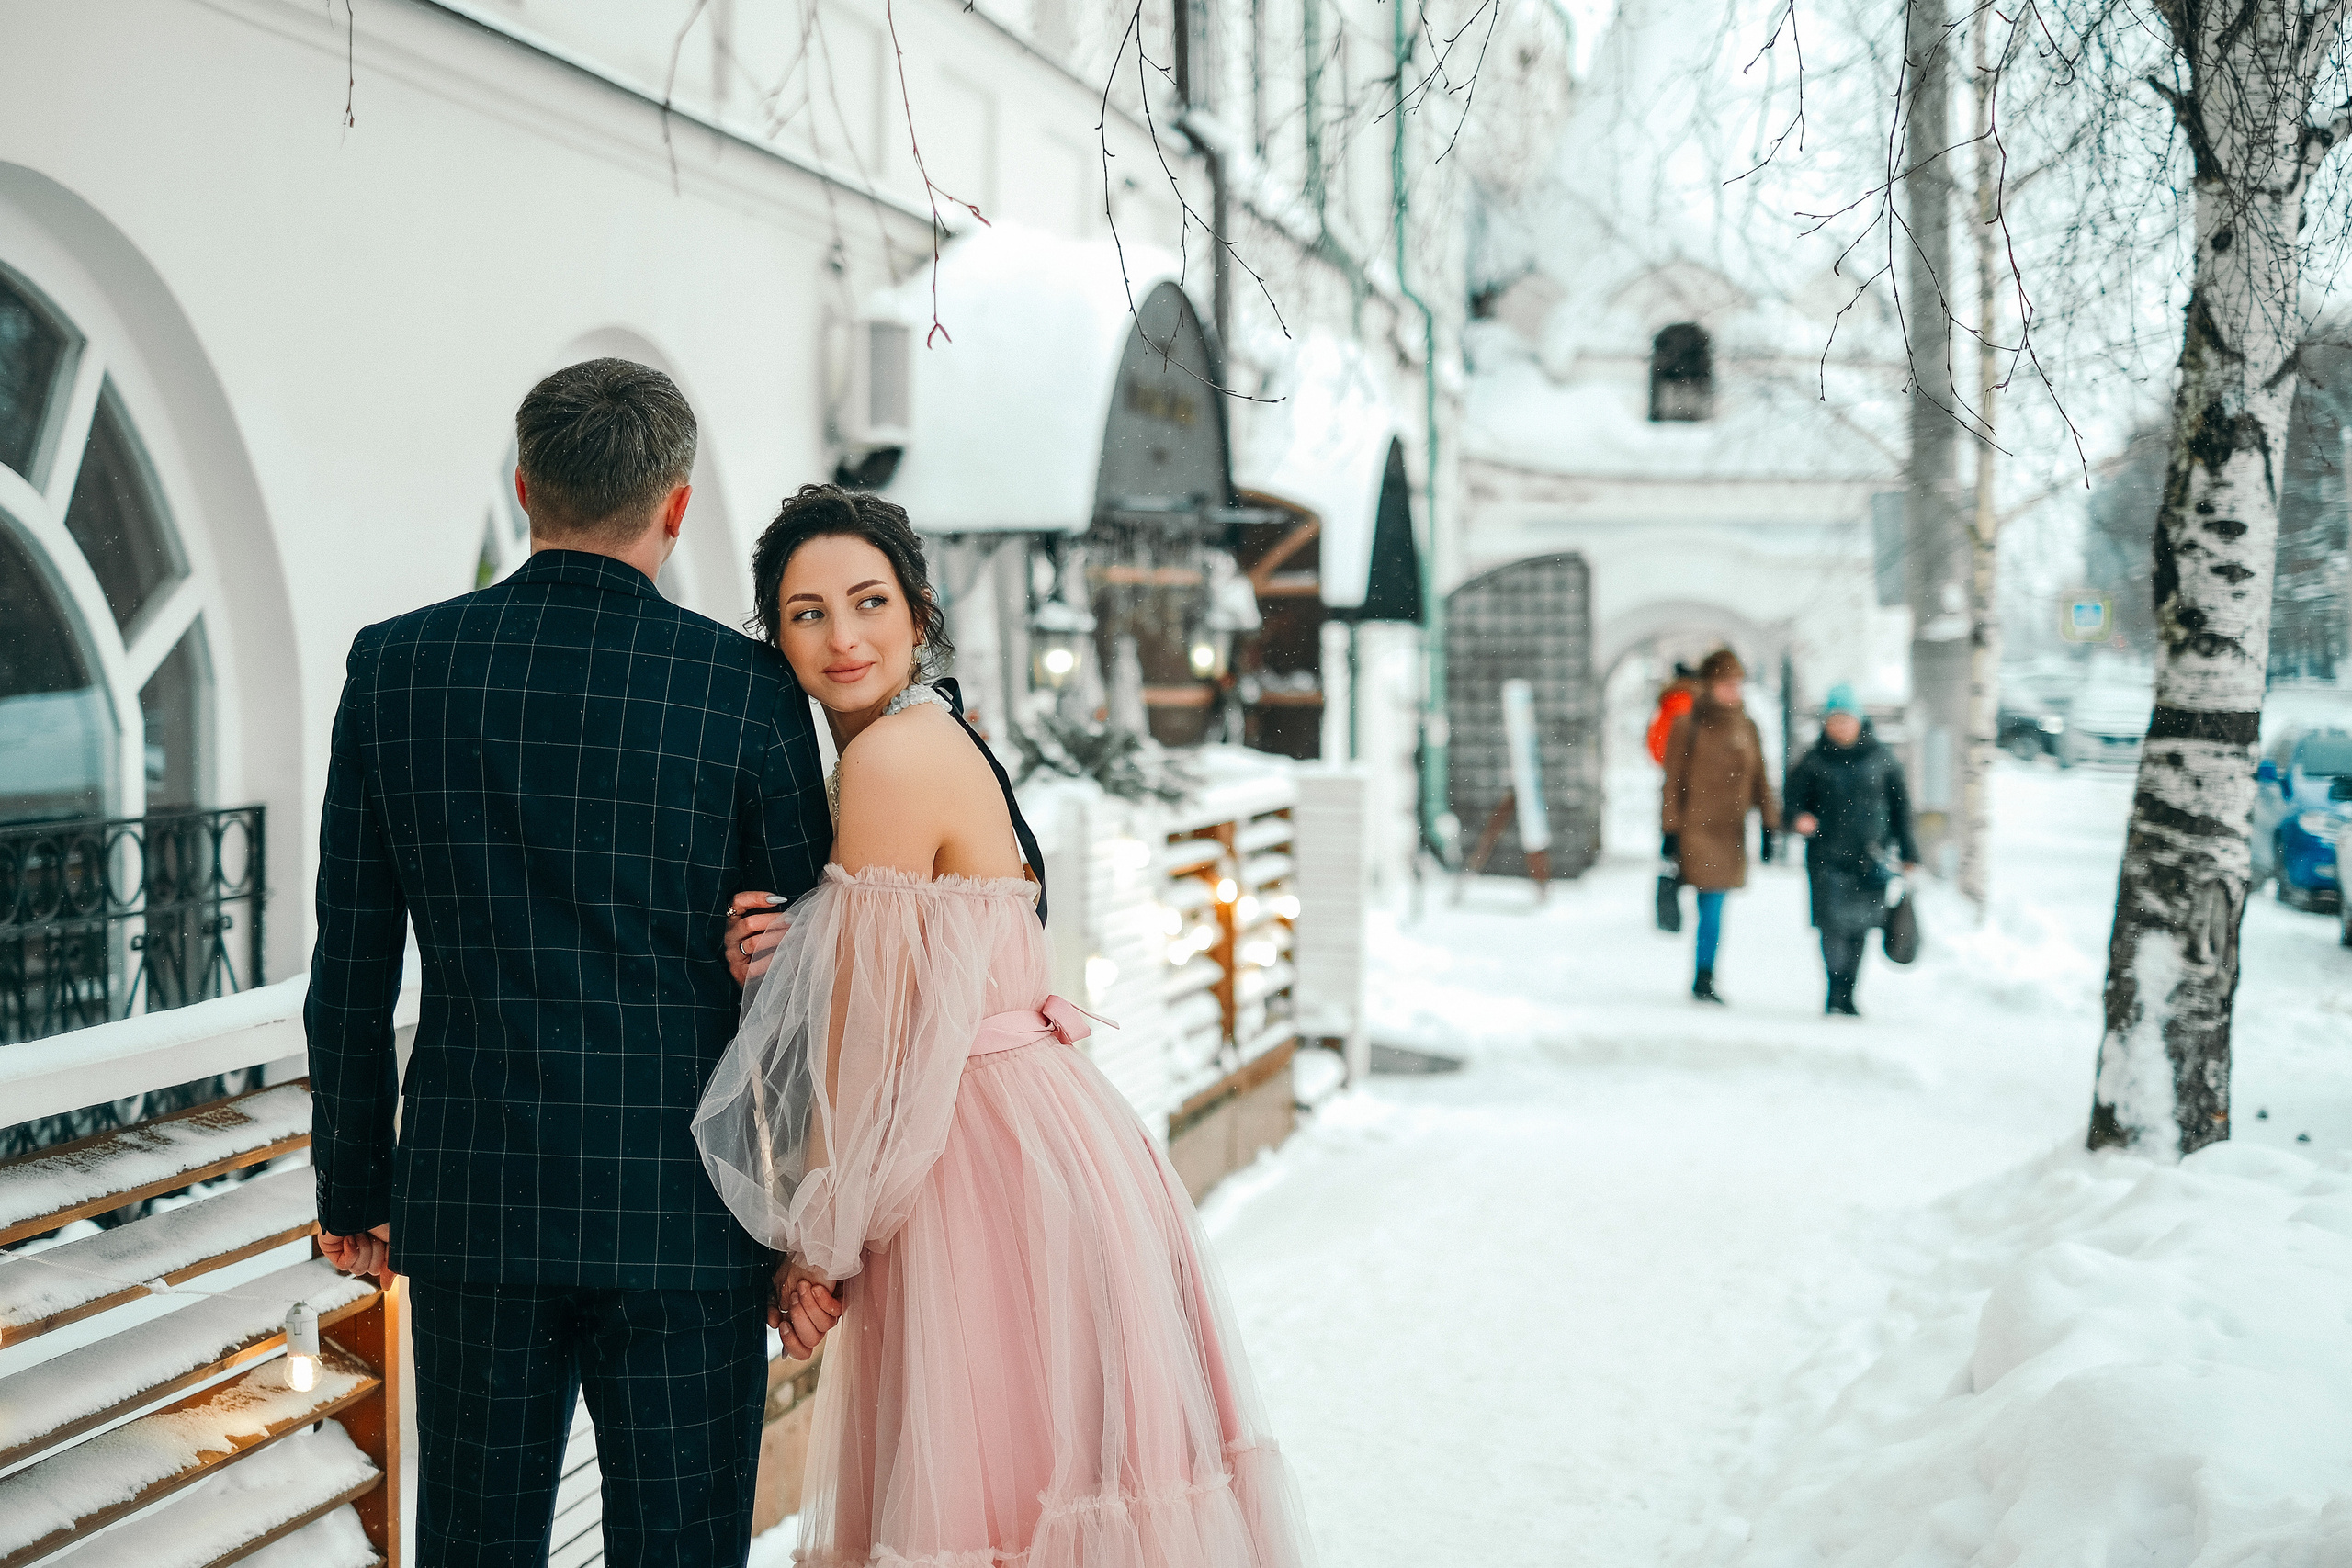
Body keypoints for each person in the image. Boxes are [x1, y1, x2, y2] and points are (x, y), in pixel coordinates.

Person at [702, 484, 1316, 1568]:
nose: (842, 638)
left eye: (867, 602)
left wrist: (818, 1243)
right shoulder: (926, 740)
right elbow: (901, 964)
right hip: (1030, 1141)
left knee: (989, 1503)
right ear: (775, 635)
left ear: (919, 610)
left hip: (972, 1161)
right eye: (806, 613)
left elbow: (868, 1032)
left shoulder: (892, 757)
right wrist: (786, 948)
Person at [306, 359, 842, 1567]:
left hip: (475, 1201)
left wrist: (353, 1181)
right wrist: (803, 1211)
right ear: (676, 505)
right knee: (683, 1546)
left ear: (524, 485)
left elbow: (352, 953)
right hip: (688, 1215)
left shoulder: (396, 670)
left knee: (477, 1543)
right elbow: (805, 974)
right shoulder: (743, 687)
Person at [1786, 683, 1920, 1017]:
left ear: (1859, 721)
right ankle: (1834, 989)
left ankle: (1848, 992)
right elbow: (1791, 803)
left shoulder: (1883, 760)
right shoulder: (1813, 762)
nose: (1840, 727)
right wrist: (1798, 818)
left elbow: (1901, 809)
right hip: (1825, 858)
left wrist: (1909, 852)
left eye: (1845, 720)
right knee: (1832, 927)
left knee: (1860, 928)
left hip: (1870, 859)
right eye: (1833, 721)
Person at [1659, 648, 1780, 1004]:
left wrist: (1769, 823)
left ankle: (1705, 971)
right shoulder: (1687, 725)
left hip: (1731, 830)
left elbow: (1760, 777)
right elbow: (1673, 781)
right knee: (1711, 902)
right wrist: (1670, 830)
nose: (1733, 691)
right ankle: (1704, 974)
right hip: (1697, 828)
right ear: (1710, 685)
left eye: (1738, 684)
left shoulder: (1748, 726)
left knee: (1716, 902)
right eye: (1727, 683)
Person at [1645, 661, 1699, 765]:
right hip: (1686, 768)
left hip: (1668, 763)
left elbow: (1655, 743)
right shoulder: (1689, 702)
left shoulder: (1667, 700)